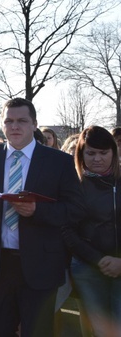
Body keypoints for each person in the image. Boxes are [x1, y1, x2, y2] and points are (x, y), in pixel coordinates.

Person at [0, 97, 83, 337]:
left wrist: (38, 211)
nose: (14, 126)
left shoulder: (59, 161)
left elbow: (76, 210)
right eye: (9, 121)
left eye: (22, 121)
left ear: (34, 124)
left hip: (41, 266)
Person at [63, 126, 121, 336]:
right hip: (88, 268)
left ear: (113, 153)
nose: (97, 159)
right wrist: (99, 260)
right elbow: (67, 230)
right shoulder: (73, 186)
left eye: (103, 153)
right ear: (81, 154)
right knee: (99, 331)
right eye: (91, 153)